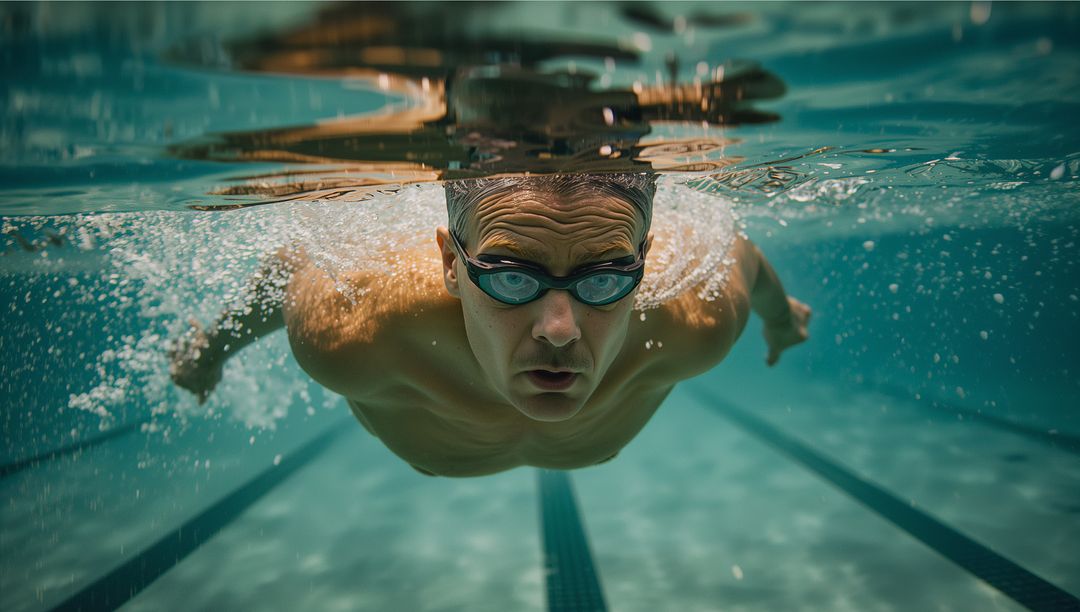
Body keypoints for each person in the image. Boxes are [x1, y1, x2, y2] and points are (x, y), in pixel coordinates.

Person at [169, 174, 810, 477]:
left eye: (605, 279)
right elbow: (291, 265)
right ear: (451, 265)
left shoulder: (694, 319)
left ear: (643, 266)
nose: (559, 330)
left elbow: (745, 259)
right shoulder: (356, 331)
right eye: (510, 277)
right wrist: (214, 346)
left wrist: (780, 321)